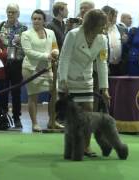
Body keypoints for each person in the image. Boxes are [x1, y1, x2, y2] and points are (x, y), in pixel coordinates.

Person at [58, 9, 109, 157]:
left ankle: (85, 147)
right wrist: (63, 80)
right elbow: (64, 57)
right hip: (69, 79)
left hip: (86, 80)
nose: (104, 28)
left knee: (87, 115)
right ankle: (71, 147)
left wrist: (104, 88)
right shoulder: (73, 34)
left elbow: (102, 63)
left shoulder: (102, 39)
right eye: (101, 24)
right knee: (72, 118)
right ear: (92, 24)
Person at [21, 9, 59, 132]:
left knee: (55, 93)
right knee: (33, 97)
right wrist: (47, 56)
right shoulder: (26, 34)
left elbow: (55, 47)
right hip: (31, 69)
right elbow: (29, 52)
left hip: (48, 69)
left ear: (44, 21)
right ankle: (35, 123)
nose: (36, 21)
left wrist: (55, 53)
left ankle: (52, 120)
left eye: (39, 19)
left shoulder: (51, 32)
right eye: (34, 18)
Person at [0, 3, 27, 128]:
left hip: (17, 63)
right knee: (3, 91)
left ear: (18, 14)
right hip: (3, 64)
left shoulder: (24, 29)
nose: (10, 14)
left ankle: (16, 117)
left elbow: (26, 47)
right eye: (9, 11)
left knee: (16, 92)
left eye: (13, 12)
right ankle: (2, 117)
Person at [102, 5, 128, 76]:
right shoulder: (100, 29)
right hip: (106, 64)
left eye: (115, 16)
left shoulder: (123, 29)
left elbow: (126, 47)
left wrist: (125, 42)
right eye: (111, 16)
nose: (113, 18)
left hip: (120, 65)